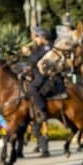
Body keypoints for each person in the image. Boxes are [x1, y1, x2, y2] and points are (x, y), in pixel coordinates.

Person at [25, 26, 53, 157]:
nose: (34, 39)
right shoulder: (38, 48)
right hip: (36, 74)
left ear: (43, 37)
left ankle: (41, 109)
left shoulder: (48, 47)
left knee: (33, 88)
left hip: (45, 75)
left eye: (36, 36)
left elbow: (35, 60)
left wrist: (29, 53)